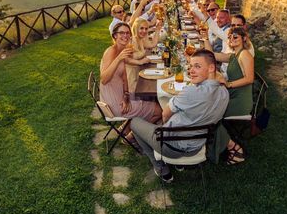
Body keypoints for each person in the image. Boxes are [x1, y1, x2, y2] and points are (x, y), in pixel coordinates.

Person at [131, 49, 244, 182]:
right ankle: (178, 164)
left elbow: (165, 115)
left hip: (170, 146)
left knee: (134, 122)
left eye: (197, 66)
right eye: (190, 66)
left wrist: (166, 123)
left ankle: (161, 167)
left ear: (211, 68)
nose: (191, 71)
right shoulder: (224, 93)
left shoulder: (190, 91)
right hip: (197, 146)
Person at [100, 22, 161, 127]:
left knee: (152, 99)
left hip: (121, 96)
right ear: (115, 36)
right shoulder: (111, 51)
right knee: (159, 111)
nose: (125, 36)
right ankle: (131, 134)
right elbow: (104, 79)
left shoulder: (122, 50)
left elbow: (124, 78)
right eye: (121, 33)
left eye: (127, 33)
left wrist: (126, 96)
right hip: (113, 102)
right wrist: (119, 58)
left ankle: (127, 128)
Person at [125, 18, 158, 92]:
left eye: (146, 29)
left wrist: (157, 30)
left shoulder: (140, 39)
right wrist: (141, 61)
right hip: (131, 75)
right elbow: (126, 60)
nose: (144, 31)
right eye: (141, 28)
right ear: (136, 28)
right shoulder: (131, 40)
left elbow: (152, 44)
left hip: (139, 71)